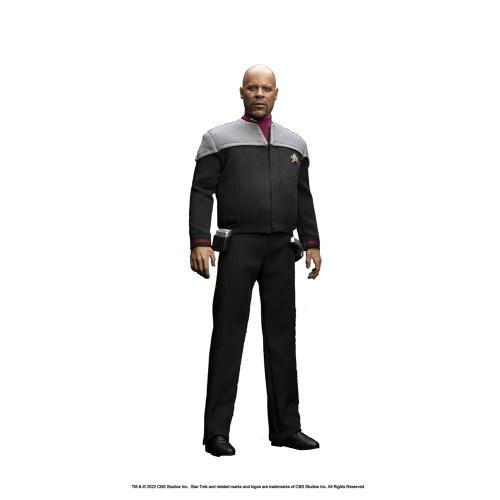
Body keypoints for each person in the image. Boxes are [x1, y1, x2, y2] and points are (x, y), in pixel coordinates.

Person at [189, 64, 322, 457]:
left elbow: (303, 197)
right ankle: (216, 433)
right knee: (228, 336)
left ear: (276, 93)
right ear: (242, 92)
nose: (259, 94)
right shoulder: (218, 139)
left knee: (282, 338)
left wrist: (312, 242)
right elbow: (201, 192)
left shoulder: (295, 144)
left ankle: (286, 428)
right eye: (252, 88)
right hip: (238, 247)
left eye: (266, 88)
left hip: (281, 249)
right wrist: (200, 241)